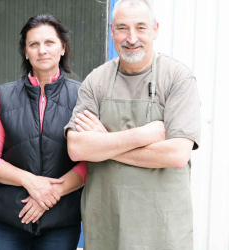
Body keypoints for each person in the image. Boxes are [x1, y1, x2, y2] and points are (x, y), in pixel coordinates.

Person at [65, 0, 201, 249]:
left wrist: (104, 142)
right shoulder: (96, 80)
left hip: (162, 224)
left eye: (141, 27)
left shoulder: (178, 78)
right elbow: (76, 148)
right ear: (111, 31)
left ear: (155, 30)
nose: (131, 38)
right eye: (122, 28)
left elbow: (177, 154)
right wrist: (147, 134)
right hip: (107, 221)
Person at [0, 14, 86, 250]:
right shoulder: (4, 96)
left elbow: (90, 160)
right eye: (33, 44)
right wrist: (30, 182)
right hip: (8, 218)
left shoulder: (82, 97)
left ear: (63, 47)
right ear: (25, 52)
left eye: (49, 43)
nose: (42, 50)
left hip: (61, 219)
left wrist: (50, 194)